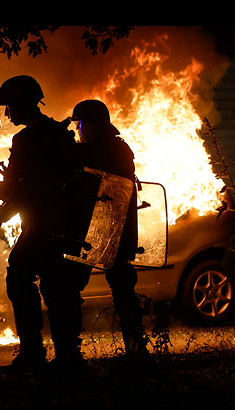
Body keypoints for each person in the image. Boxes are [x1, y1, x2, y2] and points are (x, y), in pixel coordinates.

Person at [0, 75, 91, 373]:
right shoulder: (59, 134)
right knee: (58, 288)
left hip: (44, 225)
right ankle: (68, 354)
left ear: (21, 103)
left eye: (10, 106)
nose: (7, 113)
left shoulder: (27, 140)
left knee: (19, 279)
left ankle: (33, 351)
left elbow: (25, 190)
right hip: (66, 225)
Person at [71, 99, 149, 355]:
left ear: (92, 124)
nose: (80, 130)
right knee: (123, 289)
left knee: (70, 287)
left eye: (81, 124)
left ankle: (71, 353)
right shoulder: (120, 148)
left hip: (102, 230)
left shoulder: (99, 151)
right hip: (113, 230)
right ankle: (136, 349)